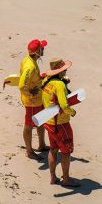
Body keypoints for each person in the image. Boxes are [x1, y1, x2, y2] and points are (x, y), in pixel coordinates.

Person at [41, 57, 80, 187]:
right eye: (64, 69)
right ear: (60, 71)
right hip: (61, 123)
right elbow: (64, 105)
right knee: (66, 151)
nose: (66, 71)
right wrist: (72, 112)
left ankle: (53, 178)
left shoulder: (47, 80)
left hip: (49, 121)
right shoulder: (59, 84)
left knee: (53, 149)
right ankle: (66, 179)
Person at [18, 39, 49, 160]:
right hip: (31, 101)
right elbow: (21, 85)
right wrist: (30, 93)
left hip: (38, 99)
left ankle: (41, 145)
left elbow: (29, 78)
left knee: (41, 121)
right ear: (37, 52)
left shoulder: (30, 59)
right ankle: (29, 151)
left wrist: (40, 78)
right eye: (42, 48)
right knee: (29, 125)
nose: (44, 49)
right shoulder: (30, 66)